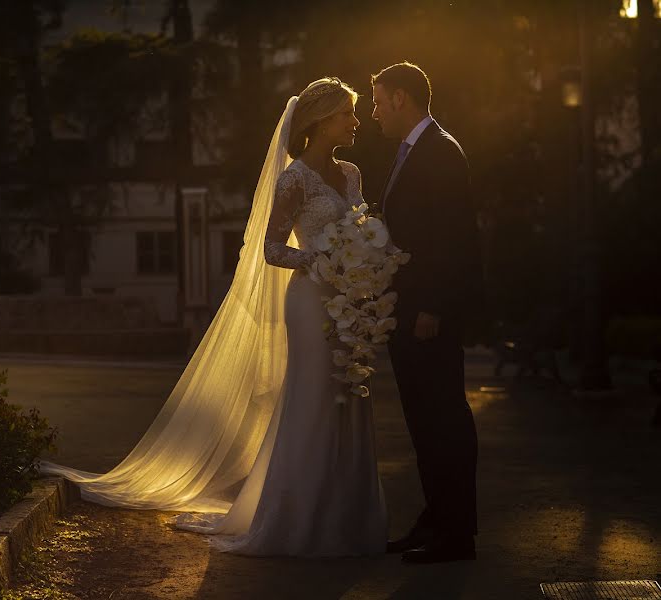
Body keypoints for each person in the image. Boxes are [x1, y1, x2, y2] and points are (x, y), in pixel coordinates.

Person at [41, 77, 388, 557]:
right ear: (321, 120)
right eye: (347, 113)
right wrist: (314, 260)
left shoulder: (351, 174)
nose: (356, 121)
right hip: (310, 301)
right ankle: (299, 520)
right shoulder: (294, 179)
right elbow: (269, 247)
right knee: (314, 400)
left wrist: (362, 263)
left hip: (348, 300)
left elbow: (358, 227)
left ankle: (348, 519)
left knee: (351, 396)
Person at [371, 61, 483, 563]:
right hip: (409, 308)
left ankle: (456, 534)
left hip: (428, 313)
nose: (373, 113)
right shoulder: (412, 151)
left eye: (377, 102)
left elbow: (454, 237)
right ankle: (435, 518)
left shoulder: (441, 150)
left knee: (444, 420)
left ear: (400, 98)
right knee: (423, 420)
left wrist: (433, 305)